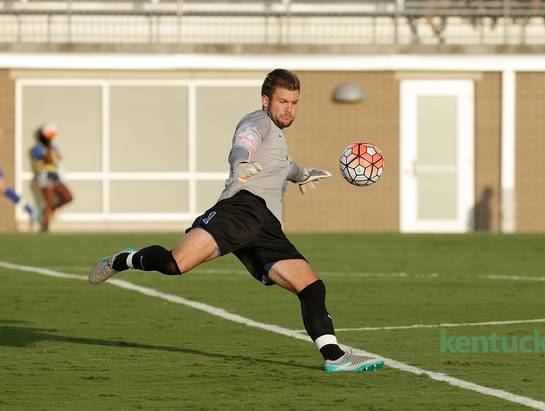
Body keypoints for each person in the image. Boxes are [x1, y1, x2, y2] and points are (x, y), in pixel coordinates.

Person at [88, 69, 385, 373]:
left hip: (267, 227)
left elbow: (286, 164)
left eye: (295, 103)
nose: (290, 109)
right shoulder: (257, 122)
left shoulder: (278, 137)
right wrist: (240, 161)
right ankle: (123, 260)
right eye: (283, 101)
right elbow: (244, 143)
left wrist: (303, 175)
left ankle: (334, 357)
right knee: (174, 264)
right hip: (241, 210)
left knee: (311, 287)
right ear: (265, 100)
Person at [31, 122, 73, 232]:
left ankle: (48, 212)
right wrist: (48, 154)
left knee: (68, 197)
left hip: (55, 176)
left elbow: (58, 161)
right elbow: (44, 160)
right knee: (49, 202)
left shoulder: (54, 148)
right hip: (44, 177)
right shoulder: (37, 148)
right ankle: (45, 227)